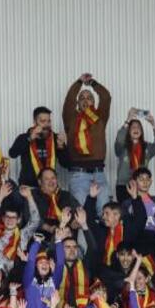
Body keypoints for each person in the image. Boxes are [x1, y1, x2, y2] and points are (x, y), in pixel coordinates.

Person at [61, 74, 112, 209]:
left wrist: (93, 83)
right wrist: (79, 83)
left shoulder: (100, 118)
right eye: (82, 98)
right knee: (81, 214)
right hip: (79, 175)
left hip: (98, 173)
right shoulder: (71, 118)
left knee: (104, 213)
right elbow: (69, 101)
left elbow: (106, 98)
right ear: (77, 103)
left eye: (89, 98)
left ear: (93, 102)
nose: (85, 100)